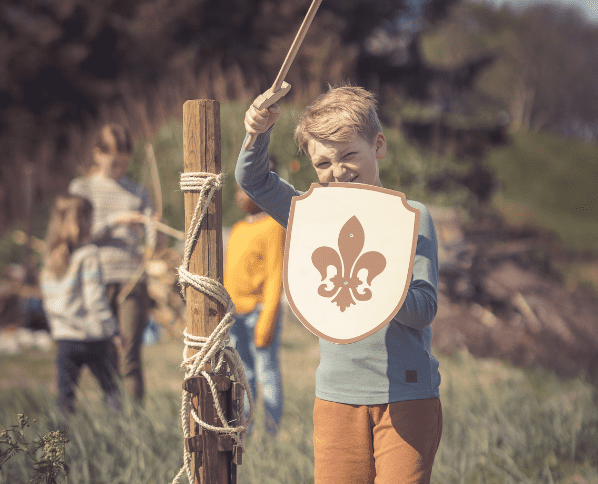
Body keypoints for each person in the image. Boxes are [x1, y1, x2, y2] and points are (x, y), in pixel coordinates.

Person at [237, 85, 442, 483]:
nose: (338, 170)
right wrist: (258, 131)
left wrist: (381, 285)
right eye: (323, 162)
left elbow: (423, 310)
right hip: (335, 399)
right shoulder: (313, 214)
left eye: (349, 154)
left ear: (378, 146)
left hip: (406, 397)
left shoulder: (412, 216)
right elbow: (253, 179)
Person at [69, 123, 154, 403]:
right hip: (95, 278)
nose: (118, 166)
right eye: (112, 159)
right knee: (103, 350)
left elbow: (153, 238)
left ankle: (134, 420)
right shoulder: (82, 188)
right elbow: (76, 234)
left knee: (130, 350)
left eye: (124, 160)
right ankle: (113, 414)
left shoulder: (138, 192)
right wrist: (115, 221)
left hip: (131, 278)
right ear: (97, 153)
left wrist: (154, 235)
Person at [40, 194, 120, 414]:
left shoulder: (49, 256)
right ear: (84, 221)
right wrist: (112, 330)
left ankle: (58, 443)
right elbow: (95, 298)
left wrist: (57, 331)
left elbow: (49, 300)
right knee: (112, 390)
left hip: (65, 338)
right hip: (93, 338)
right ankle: (119, 434)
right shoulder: (89, 254)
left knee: (65, 397)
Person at [224, 156, 286, 436]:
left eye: (245, 188)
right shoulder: (237, 229)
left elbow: (275, 275)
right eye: (238, 189)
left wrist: (268, 317)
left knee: (267, 375)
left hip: (260, 313)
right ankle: (244, 432)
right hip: (235, 314)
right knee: (244, 377)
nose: (240, 195)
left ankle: (271, 435)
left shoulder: (274, 226)